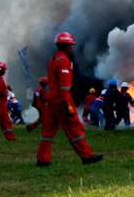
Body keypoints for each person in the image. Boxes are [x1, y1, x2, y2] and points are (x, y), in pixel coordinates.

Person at [36, 32, 102, 167]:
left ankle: (42, 159)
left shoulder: (53, 60)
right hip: (61, 99)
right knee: (75, 128)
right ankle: (87, 156)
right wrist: (68, 103)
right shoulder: (63, 60)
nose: (71, 48)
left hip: (52, 99)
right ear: (66, 46)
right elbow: (65, 85)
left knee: (47, 132)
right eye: (70, 45)